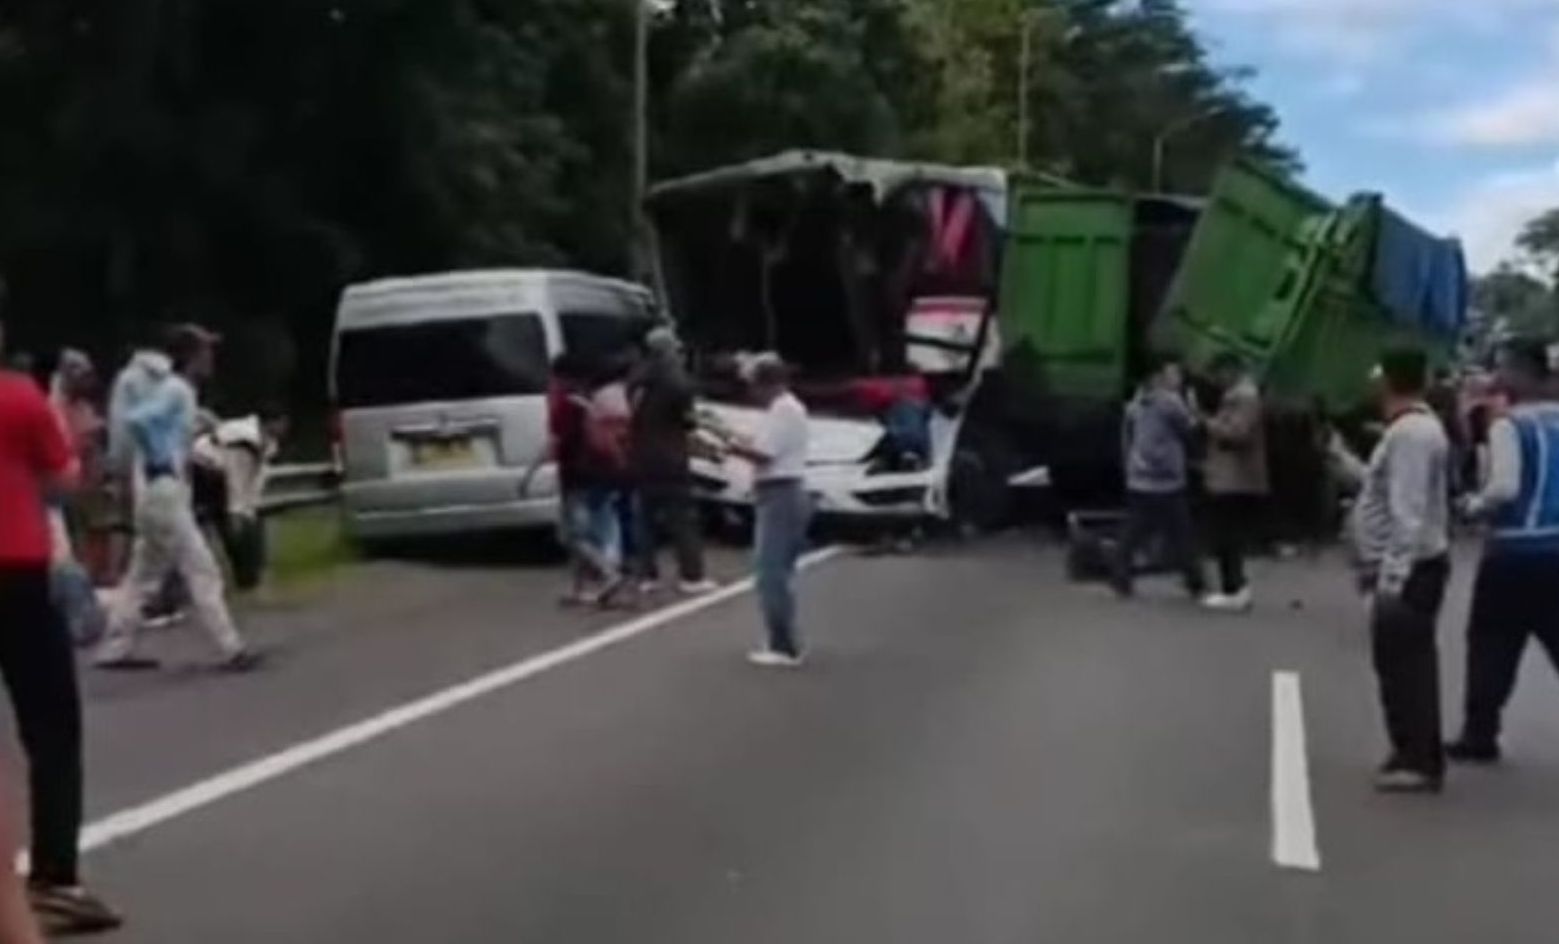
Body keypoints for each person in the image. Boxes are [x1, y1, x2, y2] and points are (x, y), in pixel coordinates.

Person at [0, 325, 122, 933]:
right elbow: (61, 482)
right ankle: (53, 877)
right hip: (16, 574)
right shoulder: (20, 397)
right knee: (50, 728)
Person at [96, 324, 260, 671]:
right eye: (206, 351)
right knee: (202, 569)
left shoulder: (174, 391)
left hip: (154, 491)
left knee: (143, 574)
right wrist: (159, 458)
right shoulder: (178, 390)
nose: (211, 358)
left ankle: (115, 646)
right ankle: (230, 647)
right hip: (164, 489)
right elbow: (140, 421)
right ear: (190, 356)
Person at [1345, 348, 1453, 793]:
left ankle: (1418, 758)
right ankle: (1411, 749)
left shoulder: (1410, 434)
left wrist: (1391, 579)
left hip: (1410, 569)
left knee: (1405, 668)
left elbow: (1407, 511)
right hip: (1413, 564)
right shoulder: (1415, 429)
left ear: (1386, 381)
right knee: (1401, 665)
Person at [1447, 341, 1559, 765]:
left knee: (1492, 643)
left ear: (1519, 374)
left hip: (1513, 552)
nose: (1496, 379)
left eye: (1503, 370)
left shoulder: (1508, 425)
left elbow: (1505, 487)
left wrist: (1472, 506)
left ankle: (1480, 733)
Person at [723, 354, 812, 667]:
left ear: (766, 384)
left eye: (753, 385)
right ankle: (782, 639)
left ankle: (783, 644)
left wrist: (724, 445)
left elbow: (764, 454)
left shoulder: (783, 410)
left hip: (780, 492)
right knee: (777, 571)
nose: (751, 393)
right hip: (783, 492)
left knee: (770, 572)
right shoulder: (787, 409)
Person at [1112, 356, 1206, 601]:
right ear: (1159, 377)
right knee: (1181, 531)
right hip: (1167, 479)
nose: (1177, 379)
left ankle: (1120, 575)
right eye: (1173, 374)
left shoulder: (1138, 401)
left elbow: (1128, 433)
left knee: (1134, 530)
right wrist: (1194, 406)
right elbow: (1189, 428)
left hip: (1140, 476)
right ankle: (1195, 580)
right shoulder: (1170, 402)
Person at [629, 328, 715, 595]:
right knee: (682, 518)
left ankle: (646, 576)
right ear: (668, 350)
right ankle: (692, 576)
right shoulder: (675, 379)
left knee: (645, 519)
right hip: (670, 455)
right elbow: (688, 419)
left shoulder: (636, 377)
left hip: (641, 454)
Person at [550, 353, 628, 606]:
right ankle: (578, 588)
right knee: (585, 528)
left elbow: (554, 441)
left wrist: (530, 474)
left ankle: (608, 572)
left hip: (572, 474)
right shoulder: (587, 402)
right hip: (594, 472)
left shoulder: (564, 405)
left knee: (571, 535)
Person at [1199, 352, 1269, 612]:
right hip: (1231, 477)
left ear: (1231, 370)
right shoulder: (1240, 396)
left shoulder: (1244, 397)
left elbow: (1238, 433)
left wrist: (1208, 423)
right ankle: (1233, 587)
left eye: (1220, 374)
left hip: (1236, 478)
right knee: (1225, 534)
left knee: (1227, 535)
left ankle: (1235, 588)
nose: (1217, 380)